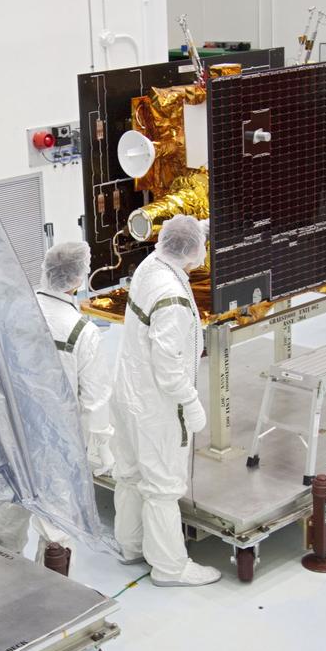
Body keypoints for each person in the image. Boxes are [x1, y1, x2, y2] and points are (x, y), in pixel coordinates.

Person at [0, 241, 113, 571]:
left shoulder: (12, 310)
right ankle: (52, 605)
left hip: (11, 432)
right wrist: (98, 450)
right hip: (57, 444)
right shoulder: (81, 332)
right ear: (77, 280)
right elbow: (94, 400)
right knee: (57, 529)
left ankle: (4, 589)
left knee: (7, 515)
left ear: (46, 270)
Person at [109, 215, 219, 588]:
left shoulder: (150, 265)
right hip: (155, 404)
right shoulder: (171, 298)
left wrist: (200, 224)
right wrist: (190, 403)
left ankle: (131, 545)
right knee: (161, 485)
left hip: (128, 389)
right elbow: (168, 365)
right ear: (189, 249)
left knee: (130, 473)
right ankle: (171, 567)